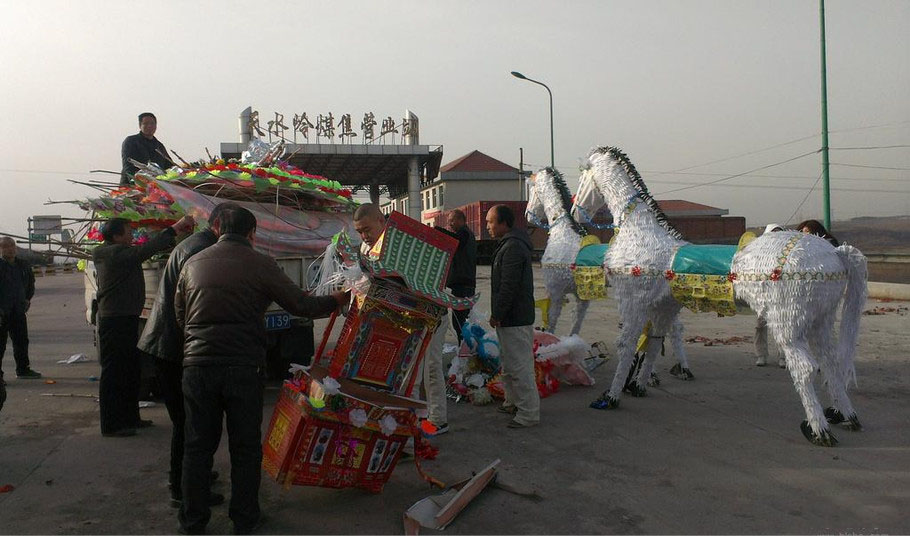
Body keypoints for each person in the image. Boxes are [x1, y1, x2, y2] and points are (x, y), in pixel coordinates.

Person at [175, 206, 347, 535]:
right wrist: (337, 299)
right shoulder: (260, 264)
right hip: (242, 367)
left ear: (217, 229)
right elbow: (302, 306)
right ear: (253, 233)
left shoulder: (192, 264)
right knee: (245, 445)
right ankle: (244, 518)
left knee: (197, 446)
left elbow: (180, 316)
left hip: (197, 367)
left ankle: (193, 521)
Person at [138, 204, 234, 508]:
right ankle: (184, 490)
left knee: (190, 422)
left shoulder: (194, 245)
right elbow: (195, 305)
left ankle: (192, 477)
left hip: (169, 342)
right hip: (172, 346)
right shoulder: (201, 251)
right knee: (190, 424)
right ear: (219, 225)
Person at [93, 215, 195, 437]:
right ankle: (112, 424)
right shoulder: (110, 253)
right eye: (128, 232)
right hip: (115, 319)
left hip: (126, 317)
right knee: (114, 373)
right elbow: (145, 250)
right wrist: (175, 228)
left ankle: (130, 418)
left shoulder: (120, 252)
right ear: (116, 235)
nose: (132, 235)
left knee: (131, 370)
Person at [486, 205, 539, 428]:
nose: (487, 226)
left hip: (515, 317)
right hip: (510, 318)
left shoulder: (514, 247)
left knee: (520, 367)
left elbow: (509, 286)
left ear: (503, 223)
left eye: (490, 222)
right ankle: (512, 401)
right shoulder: (508, 245)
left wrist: (497, 313)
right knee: (509, 364)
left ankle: (528, 413)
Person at [0, 237, 41, 381]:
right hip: (2, 312)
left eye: (12, 246)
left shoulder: (23, 265)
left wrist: (27, 299)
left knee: (21, 341)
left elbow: (30, 284)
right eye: (5, 246)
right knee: (1, 344)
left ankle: (23, 369)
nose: (10, 249)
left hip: (18, 310)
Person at [435, 209, 477, 346]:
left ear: (461, 220)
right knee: (459, 322)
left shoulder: (464, 234)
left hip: (464, 286)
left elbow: (455, 241)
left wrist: (438, 231)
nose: (450, 224)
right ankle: (463, 351)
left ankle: (465, 353)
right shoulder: (464, 234)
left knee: (461, 322)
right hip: (461, 285)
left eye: (452, 220)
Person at [754, 223, 784, 368]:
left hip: (782, 294)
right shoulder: (759, 252)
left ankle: (783, 356)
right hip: (763, 294)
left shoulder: (786, 251)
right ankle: (761, 354)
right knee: (760, 325)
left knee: (781, 326)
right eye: (774, 232)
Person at [121, 112, 172, 186]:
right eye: (146, 123)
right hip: (134, 186)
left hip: (157, 187)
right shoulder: (131, 141)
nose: (149, 126)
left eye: (152, 123)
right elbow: (128, 166)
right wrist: (137, 182)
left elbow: (169, 166)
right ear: (140, 125)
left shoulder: (159, 146)